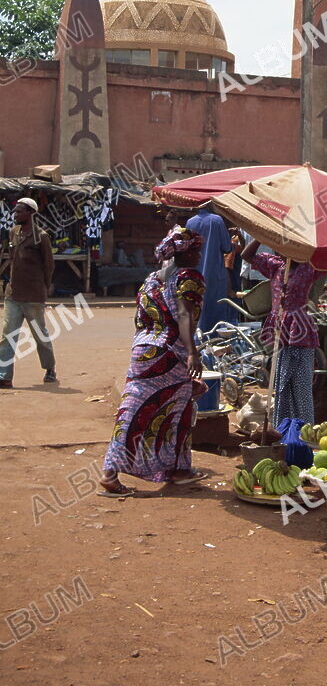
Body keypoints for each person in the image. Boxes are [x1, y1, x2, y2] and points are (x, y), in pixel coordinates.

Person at [100, 227, 206, 494]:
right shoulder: (188, 277)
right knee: (146, 410)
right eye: (196, 250)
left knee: (174, 406)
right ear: (185, 253)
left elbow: (140, 318)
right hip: (170, 354)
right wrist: (192, 352)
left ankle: (179, 469)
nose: (199, 255)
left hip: (144, 350)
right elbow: (184, 316)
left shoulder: (150, 279)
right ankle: (110, 473)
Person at [241, 238, 318, 427]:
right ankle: (282, 432)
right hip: (280, 334)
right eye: (284, 248)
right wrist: (260, 236)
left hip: (300, 334)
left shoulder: (309, 268)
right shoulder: (275, 267)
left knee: (301, 390)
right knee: (281, 387)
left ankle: (304, 433)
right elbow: (246, 255)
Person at [0, 198, 57, 388]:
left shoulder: (41, 236)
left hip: (33, 295)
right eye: (14, 211)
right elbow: (11, 260)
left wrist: (44, 288)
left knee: (40, 336)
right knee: (7, 335)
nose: (15, 215)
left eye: (19, 212)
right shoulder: (13, 233)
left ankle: (50, 369)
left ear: (30, 213)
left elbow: (49, 266)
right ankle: (4, 376)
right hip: (13, 294)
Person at [185, 206, 236, 329]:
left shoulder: (190, 222)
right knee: (216, 307)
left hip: (195, 272)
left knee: (198, 306)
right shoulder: (217, 220)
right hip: (215, 273)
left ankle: (199, 338)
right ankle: (215, 339)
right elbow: (227, 247)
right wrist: (231, 240)